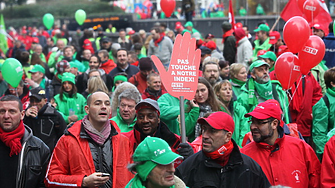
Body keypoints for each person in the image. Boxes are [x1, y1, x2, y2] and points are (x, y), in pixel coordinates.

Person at [45, 91, 133, 188]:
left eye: (107, 104)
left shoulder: (123, 141)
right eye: (98, 103)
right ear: (87, 109)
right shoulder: (68, 140)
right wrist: (82, 182)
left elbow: (132, 178)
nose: (103, 107)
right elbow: (51, 179)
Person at [175, 111, 271, 188]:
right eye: (204, 129)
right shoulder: (188, 167)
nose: (204, 136)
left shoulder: (249, 167)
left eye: (212, 131)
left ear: (228, 136)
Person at [241, 100, 321, 188]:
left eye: (259, 123)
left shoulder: (301, 148)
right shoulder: (244, 155)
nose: (253, 127)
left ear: (274, 124)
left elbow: (316, 181)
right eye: (252, 122)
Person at [0, 95, 50, 188]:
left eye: (12, 111)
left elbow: (43, 184)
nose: (6, 116)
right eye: (2, 111)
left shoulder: (39, 149)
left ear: (22, 115)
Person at [123, 98, 195, 159]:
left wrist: (191, 155)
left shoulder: (175, 141)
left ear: (158, 119)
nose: (145, 120)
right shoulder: (125, 140)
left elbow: (196, 157)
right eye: (141, 117)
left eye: (150, 116)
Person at [23, 87, 66, 152]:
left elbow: (63, 136)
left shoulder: (54, 115)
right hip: (31, 153)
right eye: (32, 100)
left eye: (38, 100)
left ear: (45, 101)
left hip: (49, 153)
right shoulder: (26, 114)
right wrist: (25, 116)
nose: (34, 103)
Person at [185, 77, 228, 141]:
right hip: (194, 146)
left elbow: (226, 130)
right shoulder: (187, 107)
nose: (200, 94)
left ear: (209, 90)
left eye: (203, 90)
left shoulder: (219, 107)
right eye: (196, 91)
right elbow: (186, 131)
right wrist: (195, 110)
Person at [214, 80, 249, 147]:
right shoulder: (214, 110)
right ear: (217, 93)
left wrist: (240, 147)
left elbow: (245, 131)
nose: (228, 92)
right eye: (224, 89)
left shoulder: (240, 109)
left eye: (230, 89)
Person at [312, 67, 335, 160]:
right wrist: (324, 157)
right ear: (332, 84)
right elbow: (319, 134)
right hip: (331, 152)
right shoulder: (323, 104)